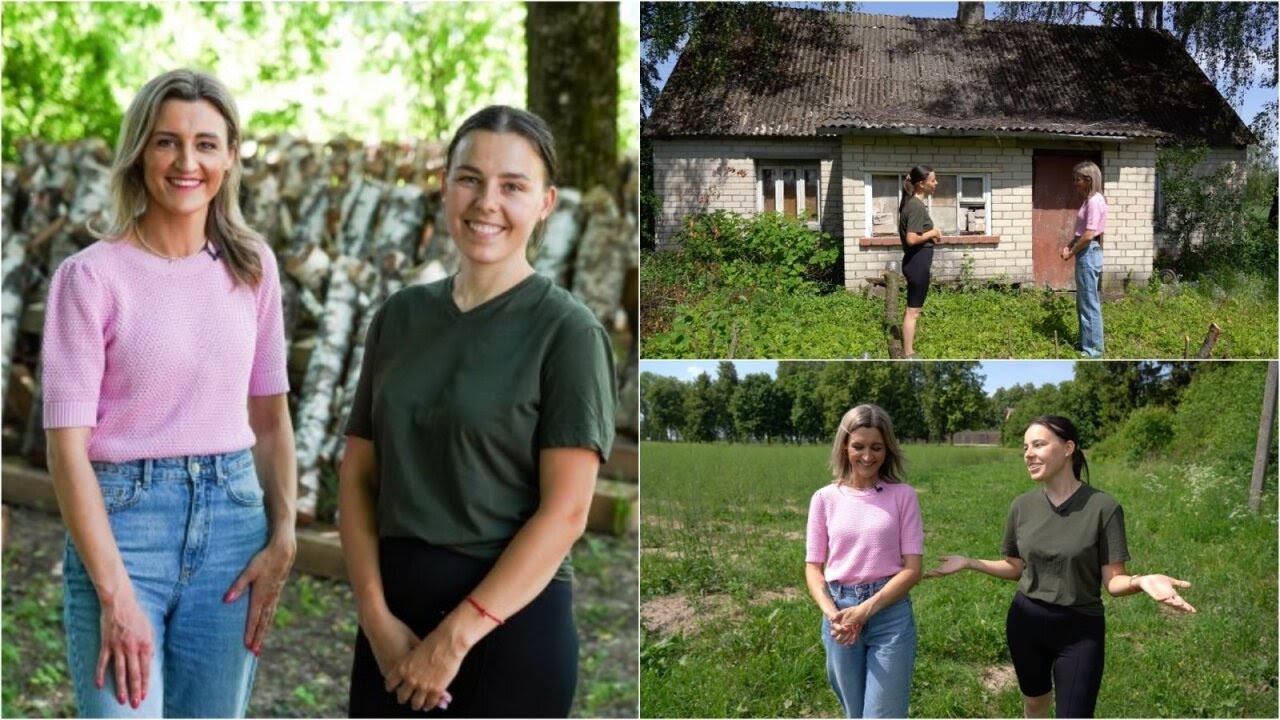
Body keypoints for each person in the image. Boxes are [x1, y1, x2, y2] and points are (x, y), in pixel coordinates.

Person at [339, 105, 617, 718]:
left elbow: (566, 511)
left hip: (506, 632)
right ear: (445, 187)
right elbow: (357, 476)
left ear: (545, 204)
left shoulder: (568, 333)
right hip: (391, 624)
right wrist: (375, 617)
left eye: (512, 186)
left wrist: (455, 638)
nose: (486, 201)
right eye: (469, 178)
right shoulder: (398, 318)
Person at [42, 69, 297, 718]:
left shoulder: (252, 267)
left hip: (235, 530)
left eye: (207, 144)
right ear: (139, 154)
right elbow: (66, 452)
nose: (188, 162)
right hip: (124, 526)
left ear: (231, 156)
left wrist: (286, 530)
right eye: (166, 142)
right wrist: (114, 594)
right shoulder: (89, 278)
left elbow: (270, 419)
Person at [925, 415, 1195, 718]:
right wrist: (969, 563)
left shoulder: (1103, 508)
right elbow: (1015, 567)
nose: (1028, 453)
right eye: (1025, 447)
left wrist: (1141, 581)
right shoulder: (1021, 506)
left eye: (1038, 444)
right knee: (1035, 704)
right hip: (1025, 621)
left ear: (1068, 448)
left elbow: (1114, 582)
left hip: (1079, 630)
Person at [805, 404, 923, 718]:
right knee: (854, 712)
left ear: (888, 450)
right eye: (858, 446)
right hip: (840, 616)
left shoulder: (903, 496)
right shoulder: (824, 499)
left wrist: (866, 610)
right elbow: (813, 567)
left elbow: (913, 569)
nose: (867, 456)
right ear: (844, 446)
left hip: (890, 615)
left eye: (876, 447)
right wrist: (834, 615)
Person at [1060, 161, 1107, 357]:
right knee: (1083, 301)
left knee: (1089, 303)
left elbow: (1089, 235)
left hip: (1088, 252)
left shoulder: (1094, 202)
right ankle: (1086, 342)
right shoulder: (1090, 200)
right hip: (1085, 251)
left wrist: (1071, 252)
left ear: (1088, 180)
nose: (1075, 183)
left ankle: (1094, 350)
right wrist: (1070, 244)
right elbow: (1082, 233)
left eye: (1077, 179)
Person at [897, 165, 941, 359]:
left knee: (913, 310)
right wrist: (932, 232)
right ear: (922, 184)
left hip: (917, 262)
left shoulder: (914, 204)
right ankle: (909, 354)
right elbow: (912, 239)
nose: (936, 183)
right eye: (933, 180)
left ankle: (908, 349)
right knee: (912, 312)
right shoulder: (915, 206)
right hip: (917, 263)